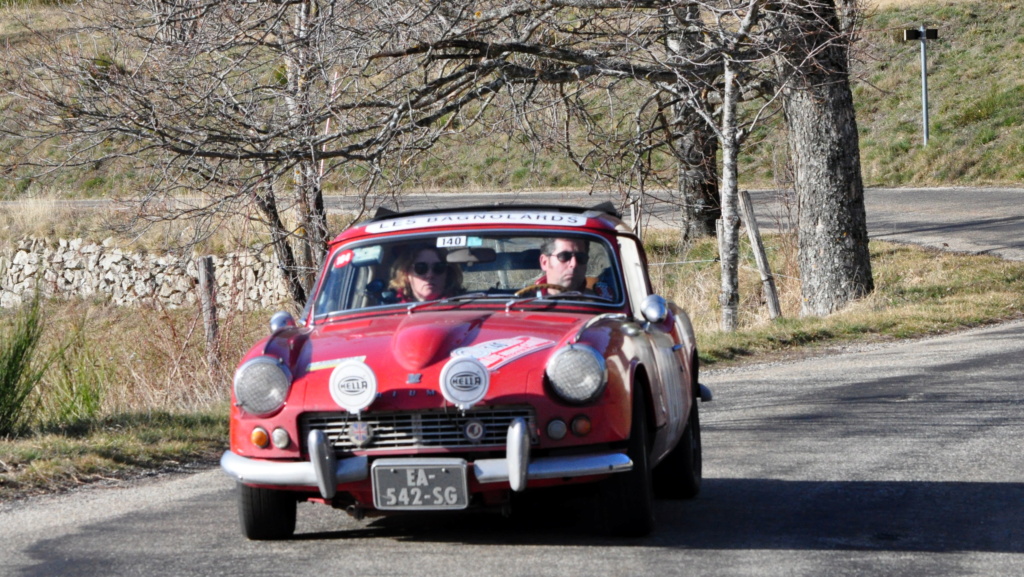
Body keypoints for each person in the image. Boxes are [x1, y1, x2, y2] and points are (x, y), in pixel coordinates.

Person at [389, 245, 463, 302]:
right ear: (406, 274)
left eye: (438, 268)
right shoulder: (390, 311)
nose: (430, 275)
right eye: (421, 268)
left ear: (447, 274)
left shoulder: (465, 306)